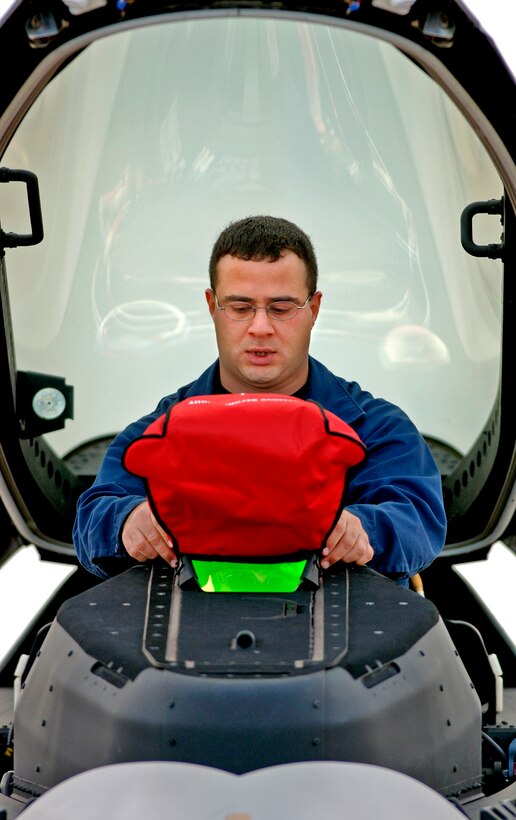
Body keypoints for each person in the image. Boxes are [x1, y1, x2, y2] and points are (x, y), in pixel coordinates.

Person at [73, 215, 447, 583]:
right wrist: (128, 521)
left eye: (281, 309)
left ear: (313, 310)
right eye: (240, 308)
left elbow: (416, 515)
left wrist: (365, 529)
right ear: (212, 306)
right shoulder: (158, 431)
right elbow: (95, 513)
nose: (260, 327)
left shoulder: (377, 428)